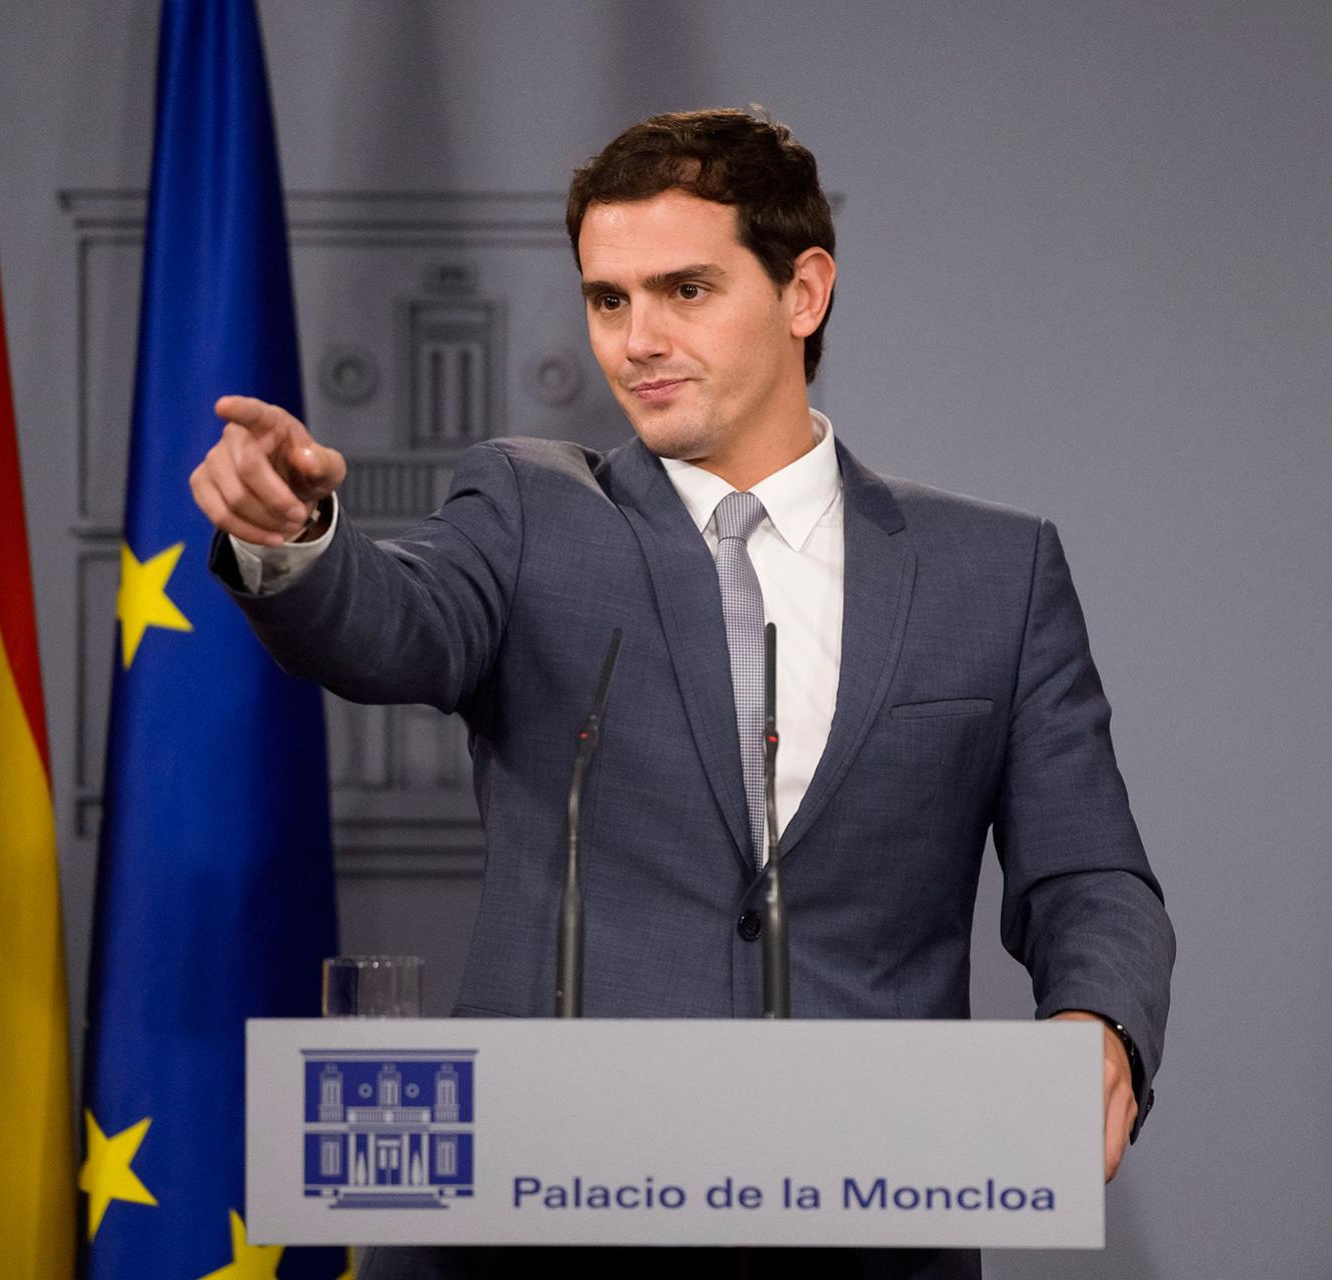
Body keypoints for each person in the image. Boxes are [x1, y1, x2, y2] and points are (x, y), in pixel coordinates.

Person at [191, 108, 1174, 1279]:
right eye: (607, 299)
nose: (634, 339)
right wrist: (297, 537)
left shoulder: (990, 572)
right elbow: (388, 623)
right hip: (535, 1234)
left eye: (684, 290)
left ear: (801, 291)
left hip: (865, 1234)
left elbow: (1089, 872)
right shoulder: (527, 510)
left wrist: (1095, 1021)